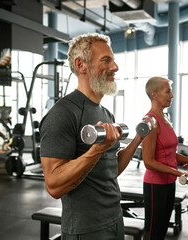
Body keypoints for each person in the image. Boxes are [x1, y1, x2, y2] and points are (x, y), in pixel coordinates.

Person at [40, 33, 145, 240]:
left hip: (115, 218)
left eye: (113, 60)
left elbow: (110, 169)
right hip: (86, 228)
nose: (115, 67)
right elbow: (53, 185)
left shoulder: (106, 114)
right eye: (106, 60)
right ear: (81, 65)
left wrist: (138, 138)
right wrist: (96, 149)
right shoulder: (63, 113)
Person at [141, 76, 188, 240]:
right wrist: (179, 173)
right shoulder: (149, 122)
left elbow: (171, 154)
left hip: (169, 184)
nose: (171, 95)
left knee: (163, 229)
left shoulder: (165, 119)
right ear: (154, 94)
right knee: (152, 233)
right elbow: (149, 162)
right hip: (155, 185)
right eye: (168, 91)